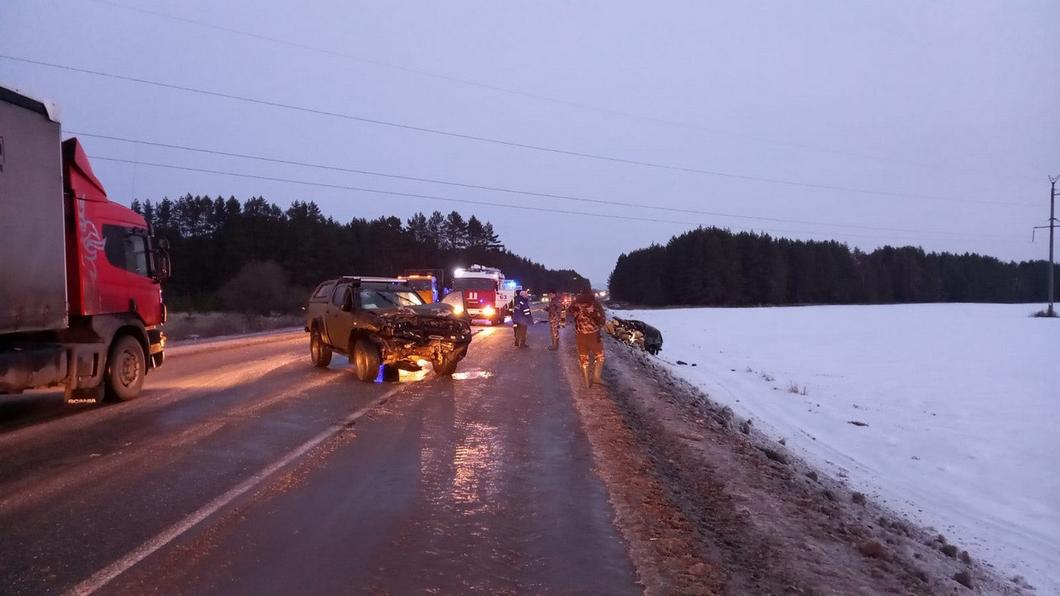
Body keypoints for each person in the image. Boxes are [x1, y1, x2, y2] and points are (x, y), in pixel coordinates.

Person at [568, 288, 607, 387]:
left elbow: (568, 314)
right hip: (593, 335)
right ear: (590, 293)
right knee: (600, 357)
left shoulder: (574, 304)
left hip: (580, 335)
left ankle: (586, 382)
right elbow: (602, 319)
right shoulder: (595, 303)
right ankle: (596, 378)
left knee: (583, 358)